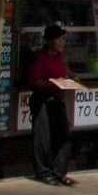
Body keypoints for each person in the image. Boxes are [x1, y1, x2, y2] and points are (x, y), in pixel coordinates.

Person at [26, 25, 75, 186]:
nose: (61, 43)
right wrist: (53, 84)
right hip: (42, 100)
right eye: (58, 40)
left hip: (57, 100)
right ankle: (43, 172)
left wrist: (73, 77)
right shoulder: (40, 58)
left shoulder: (59, 56)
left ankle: (58, 172)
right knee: (43, 138)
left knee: (64, 136)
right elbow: (33, 82)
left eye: (62, 39)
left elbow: (64, 69)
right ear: (49, 41)